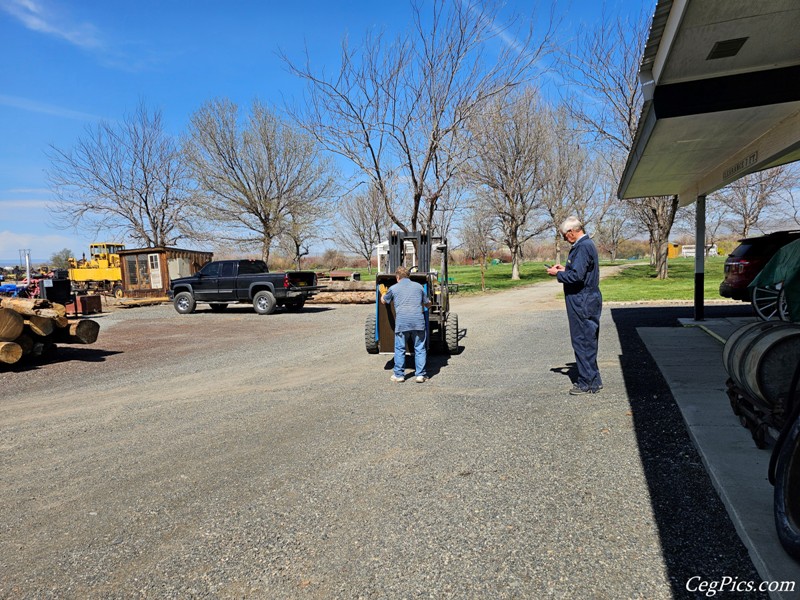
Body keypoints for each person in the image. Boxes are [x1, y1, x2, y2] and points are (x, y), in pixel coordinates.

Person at [546, 216, 603, 395]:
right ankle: (594, 379)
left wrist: (557, 274)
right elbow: (580, 271)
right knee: (588, 339)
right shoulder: (585, 246)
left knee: (583, 341)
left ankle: (586, 382)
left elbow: (576, 277)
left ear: (572, 232)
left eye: (564, 235)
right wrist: (564, 269)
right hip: (585, 298)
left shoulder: (583, 247)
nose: (564, 239)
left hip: (582, 300)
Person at [381, 265, 432, 383]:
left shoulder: (393, 288)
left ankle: (399, 375)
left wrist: (383, 292)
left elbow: (384, 301)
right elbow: (427, 303)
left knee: (400, 349)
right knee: (419, 348)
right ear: (408, 276)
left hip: (402, 323)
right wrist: (428, 304)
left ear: (397, 277)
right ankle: (420, 375)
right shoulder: (419, 287)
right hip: (418, 322)